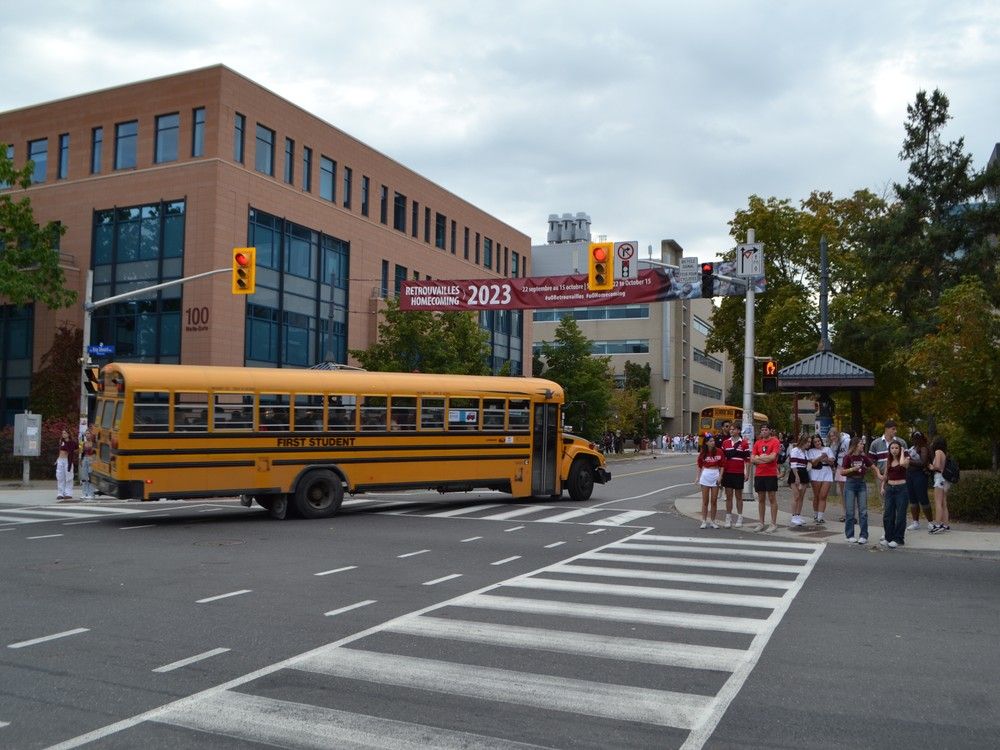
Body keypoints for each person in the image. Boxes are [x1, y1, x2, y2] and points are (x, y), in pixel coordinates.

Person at [840, 436, 880, 544]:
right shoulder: (848, 457)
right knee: (850, 511)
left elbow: (873, 466)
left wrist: (879, 475)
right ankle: (849, 535)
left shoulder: (863, 457)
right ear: (855, 445)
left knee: (863, 511)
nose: (863, 445)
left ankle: (863, 535)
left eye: (863, 443)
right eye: (861, 444)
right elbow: (842, 472)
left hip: (861, 483)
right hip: (850, 483)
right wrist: (853, 469)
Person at [880, 439, 910, 548]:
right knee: (888, 514)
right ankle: (889, 537)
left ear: (900, 449)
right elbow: (885, 475)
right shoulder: (887, 461)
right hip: (890, 489)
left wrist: (902, 452)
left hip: (901, 489)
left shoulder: (905, 459)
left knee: (900, 515)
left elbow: (902, 464)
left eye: (896, 448)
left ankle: (898, 538)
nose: (894, 450)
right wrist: (882, 487)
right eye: (892, 448)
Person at [750, 424, 781, 532]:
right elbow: (752, 459)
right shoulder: (757, 443)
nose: (764, 431)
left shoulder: (775, 441)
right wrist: (762, 458)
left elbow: (772, 458)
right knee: (761, 499)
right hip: (759, 474)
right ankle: (761, 523)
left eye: (766, 429)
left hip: (771, 474)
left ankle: (773, 523)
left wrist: (760, 457)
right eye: (762, 430)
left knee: (772, 498)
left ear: (769, 431)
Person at [720, 423, 750, 528]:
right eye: (730, 429)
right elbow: (722, 459)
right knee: (729, 496)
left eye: (733, 429)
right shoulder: (725, 443)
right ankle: (728, 518)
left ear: (738, 431)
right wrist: (721, 473)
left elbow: (747, 460)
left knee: (739, 496)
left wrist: (747, 473)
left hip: (739, 473)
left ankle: (740, 517)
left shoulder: (744, 443)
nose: (731, 431)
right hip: (728, 472)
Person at [696, 434, 724, 529]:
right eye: (711, 441)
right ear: (706, 443)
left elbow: (722, 465)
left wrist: (720, 476)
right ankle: (704, 521)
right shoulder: (703, 453)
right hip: (706, 475)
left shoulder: (719, 452)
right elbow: (699, 466)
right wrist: (698, 477)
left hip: (715, 474)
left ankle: (713, 521)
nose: (713, 442)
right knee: (705, 501)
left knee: (714, 500)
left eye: (713, 441)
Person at [906, 431, 933, 530]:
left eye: (918, 437)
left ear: (922, 438)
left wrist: (909, 461)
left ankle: (930, 522)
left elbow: (923, 462)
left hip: (919, 475)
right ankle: (915, 522)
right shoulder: (912, 448)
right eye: (914, 437)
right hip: (909, 475)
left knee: (923, 498)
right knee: (912, 499)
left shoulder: (924, 448)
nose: (915, 439)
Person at [806, 434, 835, 524]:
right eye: (815, 442)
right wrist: (821, 457)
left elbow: (832, 461)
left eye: (818, 441)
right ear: (813, 443)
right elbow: (813, 463)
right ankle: (815, 514)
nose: (817, 443)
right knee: (817, 495)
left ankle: (820, 517)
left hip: (827, 472)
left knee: (823, 495)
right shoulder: (811, 451)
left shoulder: (827, 449)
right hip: (816, 472)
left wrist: (825, 459)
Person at [927, 436, 952, 534]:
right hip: (945, 479)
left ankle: (937, 525)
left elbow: (937, 466)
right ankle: (945, 524)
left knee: (937, 502)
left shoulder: (938, 452)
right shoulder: (944, 453)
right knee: (943, 503)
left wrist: (931, 467)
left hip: (939, 478)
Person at [787, 434, 811, 526]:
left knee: (801, 496)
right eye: (807, 441)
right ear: (803, 441)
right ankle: (793, 516)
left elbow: (807, 464)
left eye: (809, 442)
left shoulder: (805, 452)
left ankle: (798, 515)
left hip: (804, 472)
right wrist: (797, 476)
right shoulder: (795, 450)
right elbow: (793, 464)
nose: (809, 444)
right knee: (796, 496)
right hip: (796, 472)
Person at [56, 427, 79, 502]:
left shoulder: (72, 442)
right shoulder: (61, 441)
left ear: (68, 434)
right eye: (62, 433)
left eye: (65, 433)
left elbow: (77, 449)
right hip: (60, 460)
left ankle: (68, 493)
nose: (63, 434)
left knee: (68, 477)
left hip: (67, 460)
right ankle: (60, 493)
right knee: (60, 477)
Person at [79, 430, 96, 501]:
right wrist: (81, 460)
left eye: (88, 433)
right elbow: (82, 453)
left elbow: (96, 453)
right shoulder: (84, 443)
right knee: (84, 477)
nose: (87, 435)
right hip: (85, 459)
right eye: (86, 434)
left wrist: (94, 461)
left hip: (91, 459)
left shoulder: (94, 443)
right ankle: (84, 493)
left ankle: (91, 493)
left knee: (90, 477)